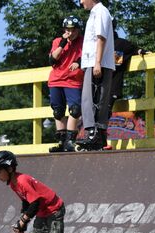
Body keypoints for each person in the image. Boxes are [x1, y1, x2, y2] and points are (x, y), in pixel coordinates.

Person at [77, 0, 115, 151]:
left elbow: (101, 38)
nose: (81, 2)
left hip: (98, 63)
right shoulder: (94, 13)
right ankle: (94, 134)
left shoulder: (101, 11)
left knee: (95, 98)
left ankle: (96, 134)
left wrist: (97, 62)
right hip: (92, 62)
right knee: (88, 98)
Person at [47, 15, 84, 153]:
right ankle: (61, 142)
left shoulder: (83, 41)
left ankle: (70, 141)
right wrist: (63, 42)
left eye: (74, 29)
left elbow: (88, 55)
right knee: (58, 111)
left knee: (75, 109)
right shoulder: (57, 41)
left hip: (73, 80)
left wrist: (78, 62)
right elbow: (52, 60)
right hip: (56, 79)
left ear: (78, 30)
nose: (71, 32)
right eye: (68, 29)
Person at [108, 18, 149, 118]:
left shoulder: (121, 43)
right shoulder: (94, 44)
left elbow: (134, 49)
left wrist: (141, 51)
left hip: (113, 86)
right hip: (98, 85)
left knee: (105, 110)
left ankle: (100, 132)